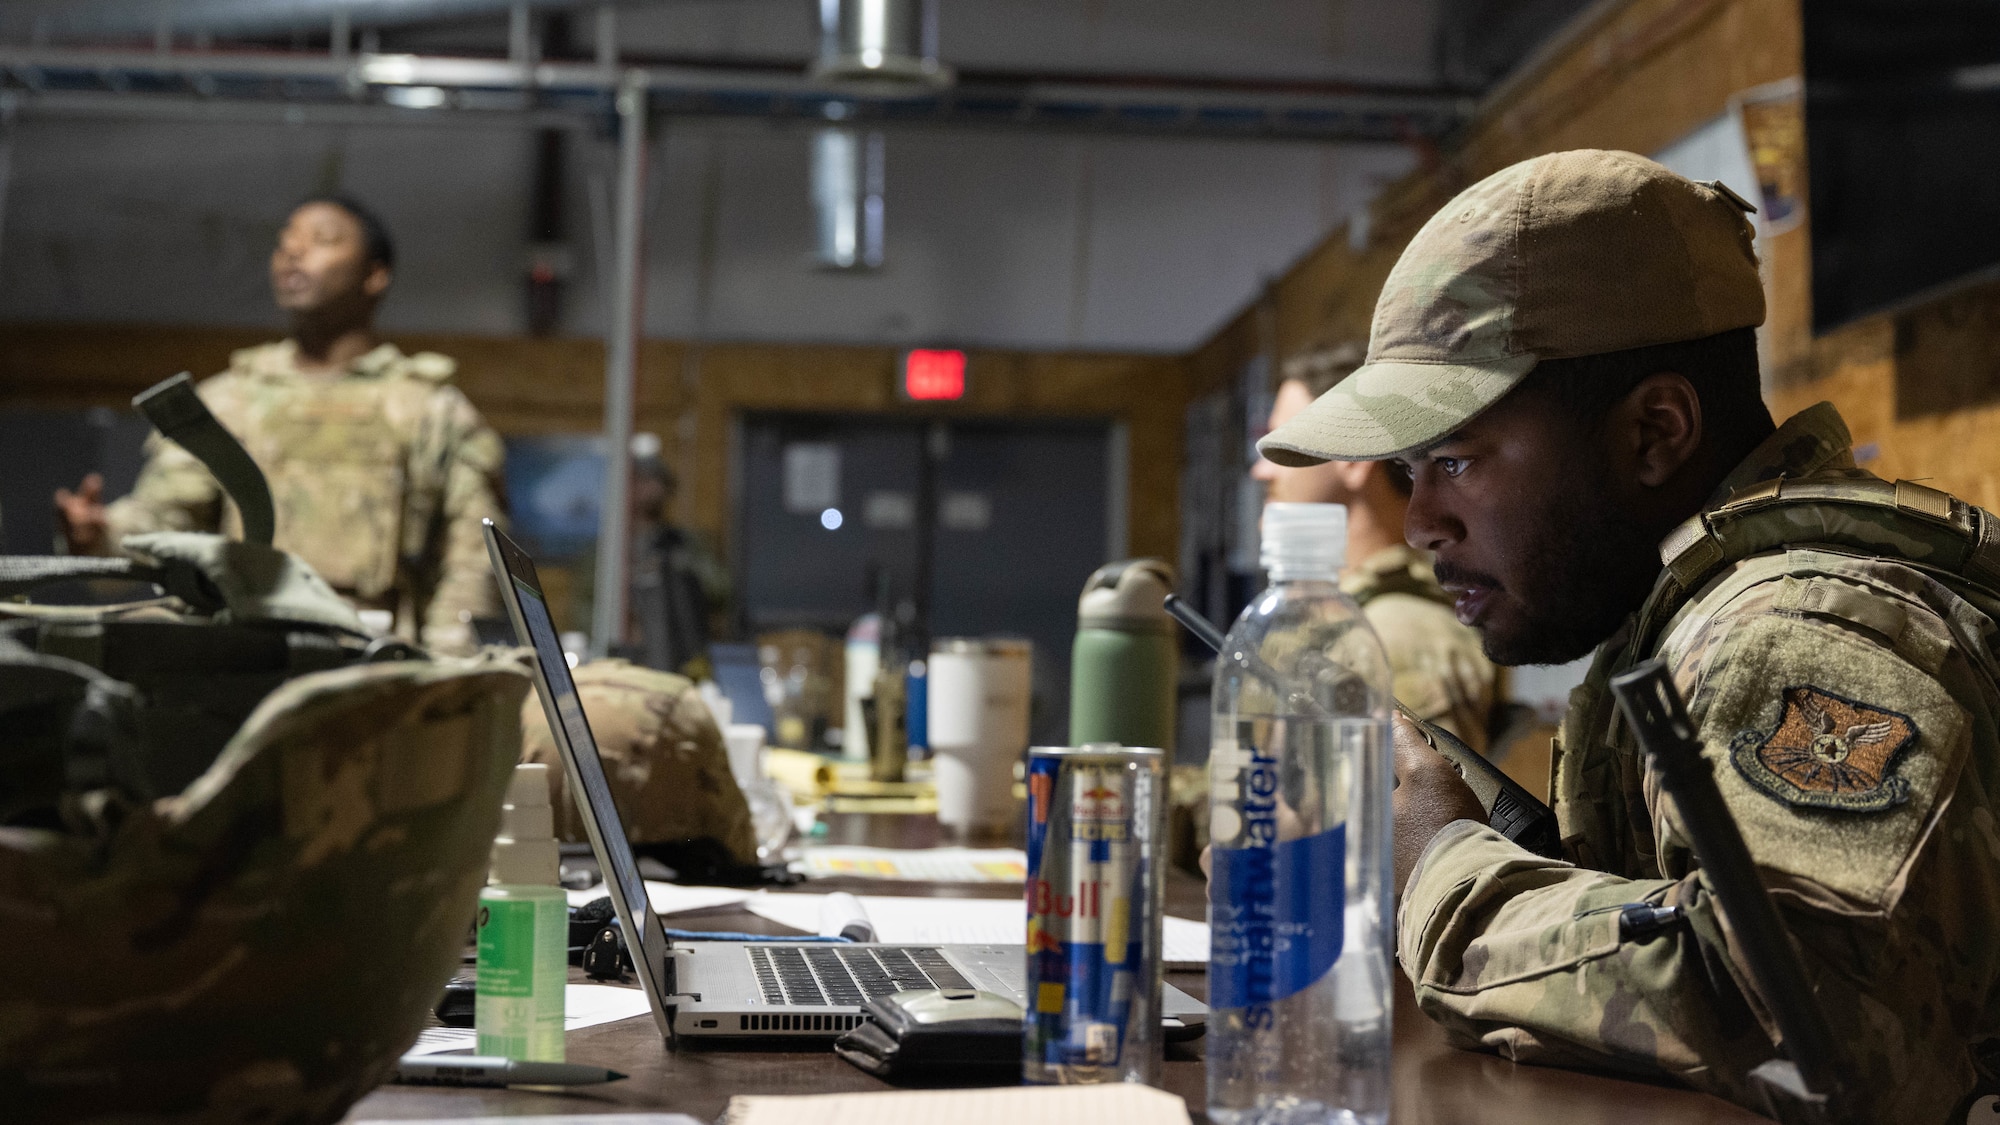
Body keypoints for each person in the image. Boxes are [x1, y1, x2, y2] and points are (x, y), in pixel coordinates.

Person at [1260, 149, 2000, 1121]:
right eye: (1408, 471)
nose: (1420, 523)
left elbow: (1800, 1018)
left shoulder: (1799, 627)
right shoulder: (1679, 614)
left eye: (1452, 460)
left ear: (1654, 430)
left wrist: (1440, 865)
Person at [54, 195, 505, 654]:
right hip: (243, 650)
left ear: (375, 275)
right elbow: (167, 517)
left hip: (379, 656)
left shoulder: (432, 411)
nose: (294, 252)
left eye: (323, 240)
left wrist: (447, 669)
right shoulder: (230, 400)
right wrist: (103, 535)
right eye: (285, 243)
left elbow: (471, 557)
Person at [1252, 341, 1497, 751]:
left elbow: (1417, 809)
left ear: (1351, 458)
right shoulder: (1342, 615)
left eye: (1285, 442)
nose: (1261, 470)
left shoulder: (1394, 633)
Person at [626, 434, 730, 678]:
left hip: (682, 658)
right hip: (629, 658)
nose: (647, 488)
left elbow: (720, 590)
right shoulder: (609, 550)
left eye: (654, 481)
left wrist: (682, 565)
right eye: (639, 481)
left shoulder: (685, 543)